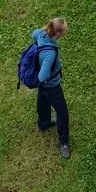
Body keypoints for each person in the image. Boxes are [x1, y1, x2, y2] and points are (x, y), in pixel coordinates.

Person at [32, 16, 70, 159]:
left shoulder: (41, 34)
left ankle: (44, 123)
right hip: (51, 86)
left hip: (42, 87)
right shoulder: (50, 53)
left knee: (42, 102)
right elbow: (42, 76)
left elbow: (33, 34)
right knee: (62, 113)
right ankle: (63, 142)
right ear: (58, 33)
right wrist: (47, 78)